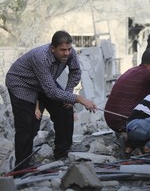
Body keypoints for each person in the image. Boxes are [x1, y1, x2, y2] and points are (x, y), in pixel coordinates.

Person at [5, 30, 98, 171]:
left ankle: (62, 154)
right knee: (28, 126)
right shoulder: (41, 58)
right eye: (62, 50)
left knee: (65, 110)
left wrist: (68, 94)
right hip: (22, 84)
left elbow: (75, 71)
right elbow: (51, 92)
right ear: (52, 49)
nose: (66, 53)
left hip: (45, 82)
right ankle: (21, 168)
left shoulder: (70, 53)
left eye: (68, 49)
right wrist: (78, 98)